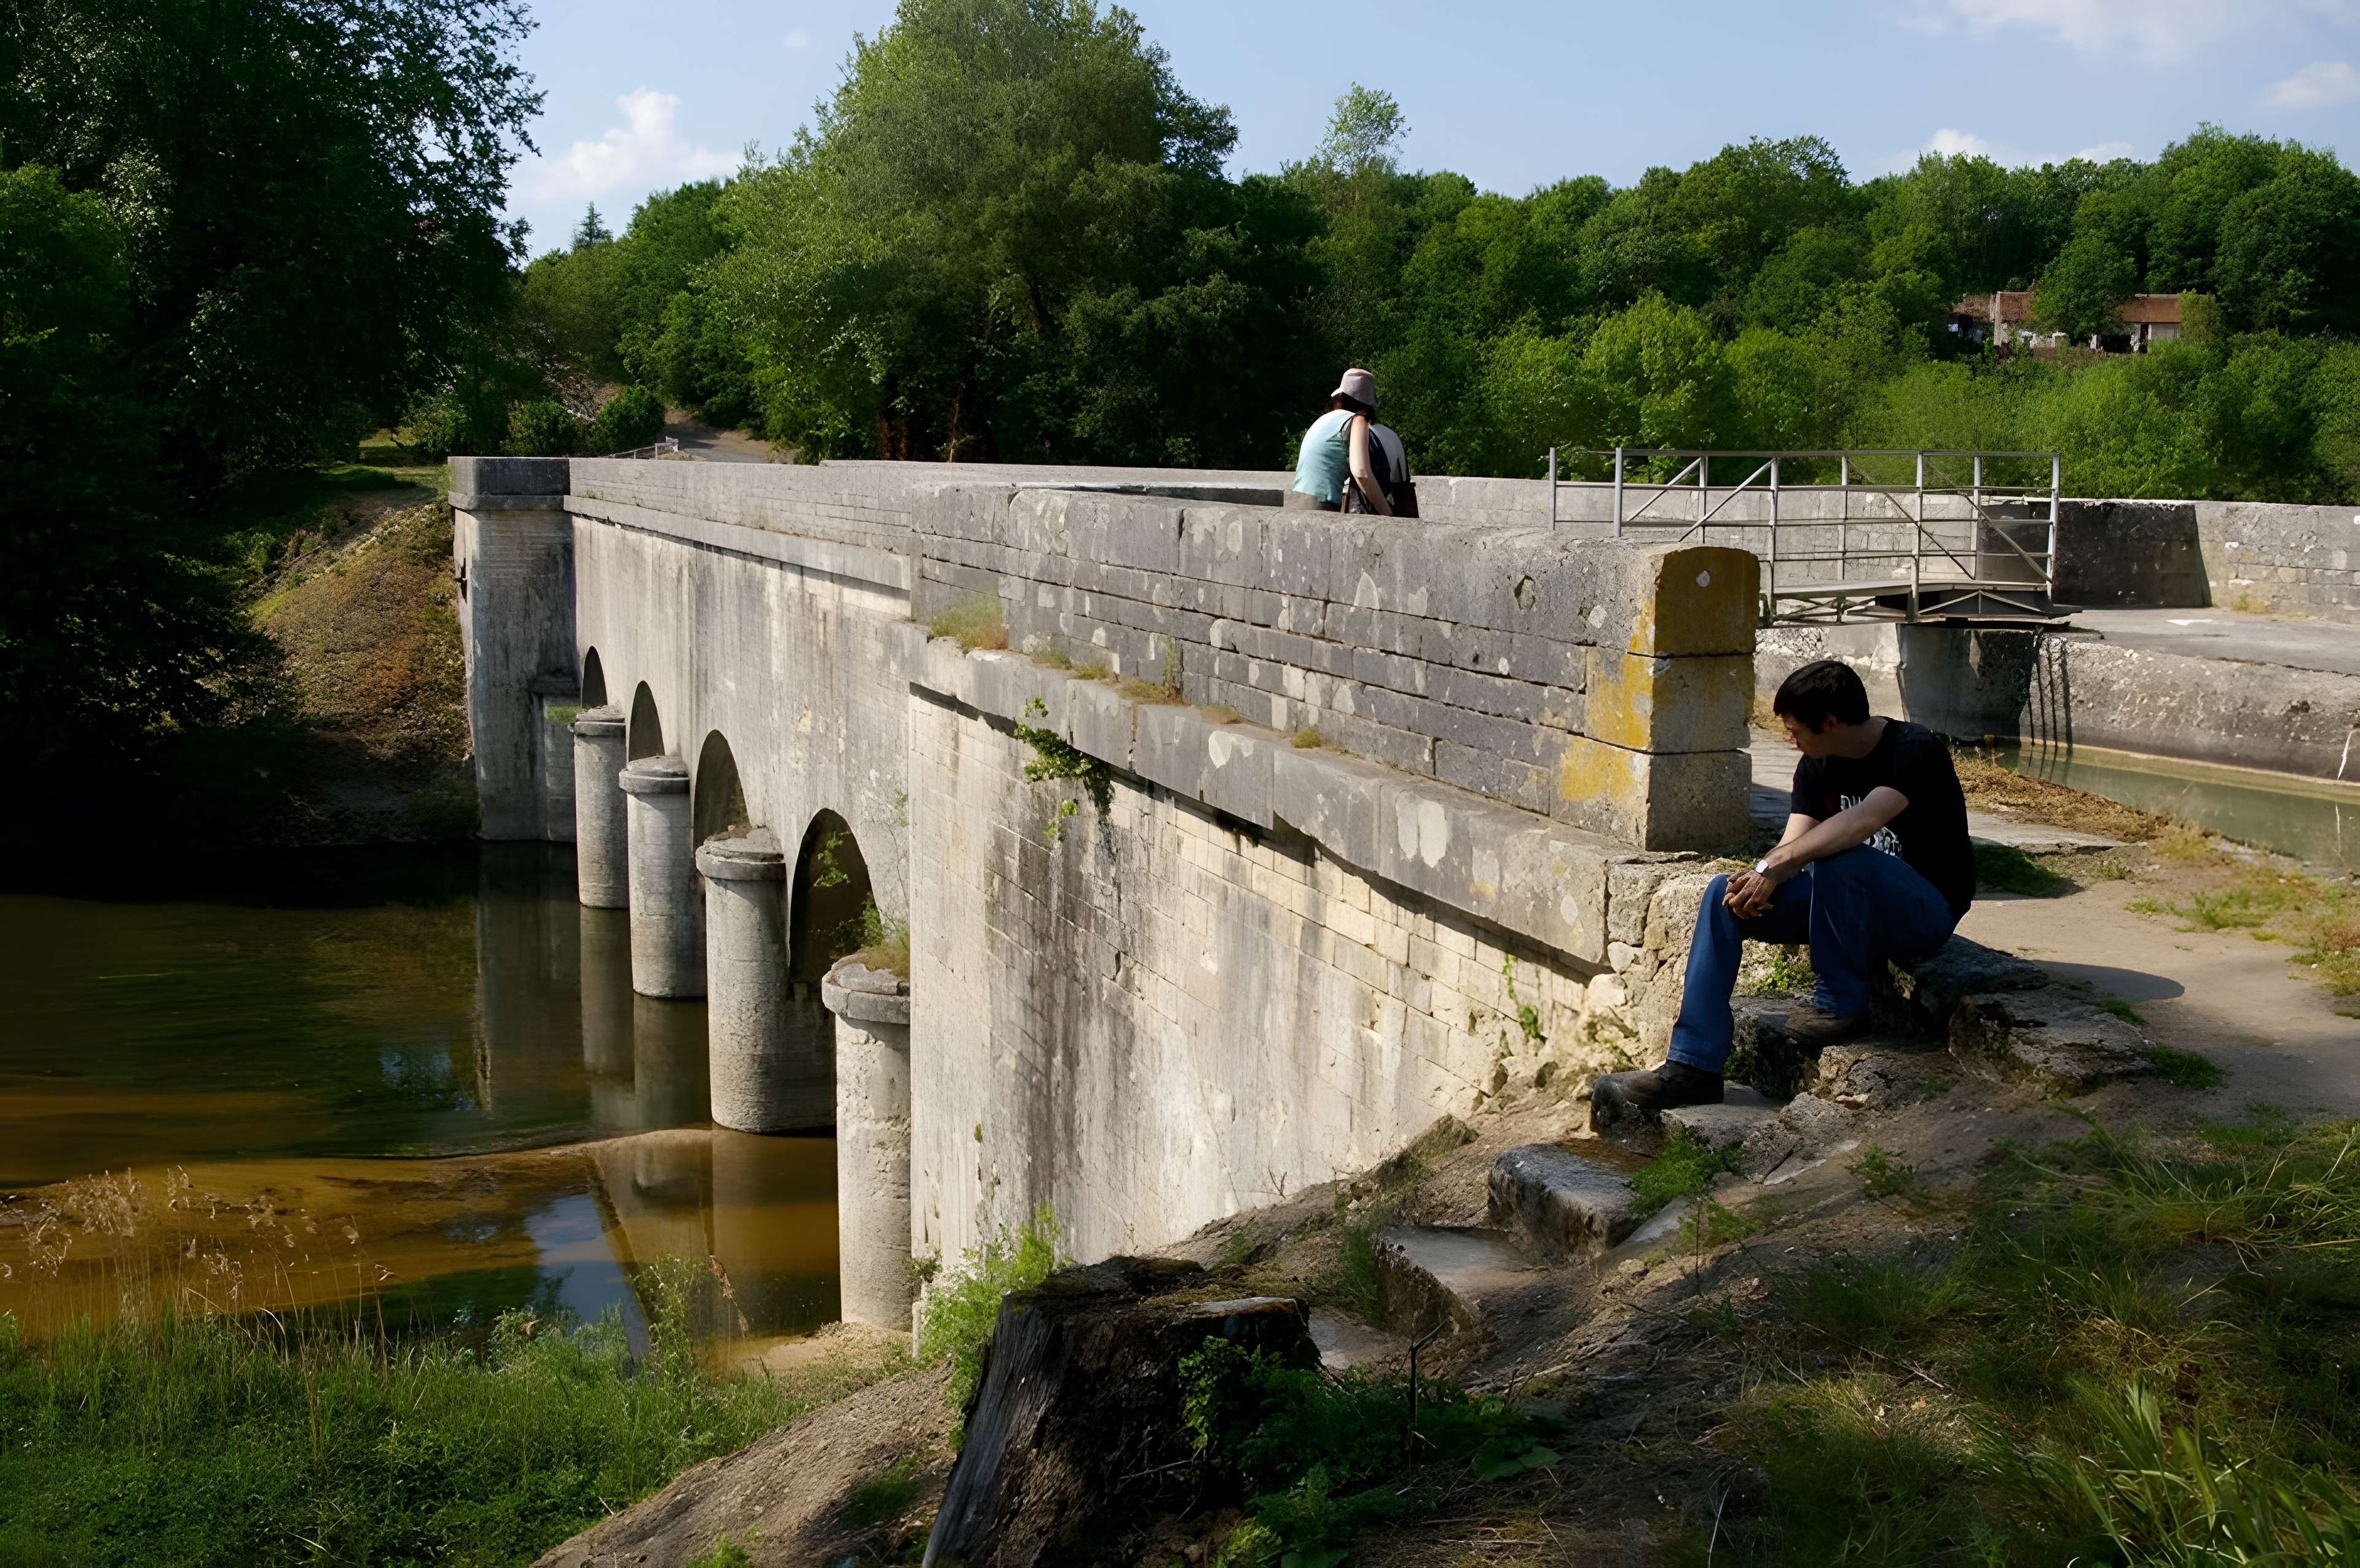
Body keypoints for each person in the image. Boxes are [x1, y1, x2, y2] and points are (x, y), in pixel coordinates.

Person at [1591, 659, 1977, 1115]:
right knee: (1722, 895)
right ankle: (1692, 1067)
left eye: (1796, 730)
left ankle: (1840, 1006)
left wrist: (1778, 866)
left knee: (1838, 851)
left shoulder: (1914, 749)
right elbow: (1791, 844)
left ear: (1830, 723)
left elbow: (1862, 822)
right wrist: (1759, 877)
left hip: (1924, 911)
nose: (1789, 740)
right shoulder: (1816, 765)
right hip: (1842, 905)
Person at [1287, 368, 1393, 515]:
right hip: (1322, 508)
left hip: (1295, 503)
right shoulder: (1358, 420)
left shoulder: (1324, 419)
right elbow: (1362, 472)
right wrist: (1388, 513)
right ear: (1368, 406)